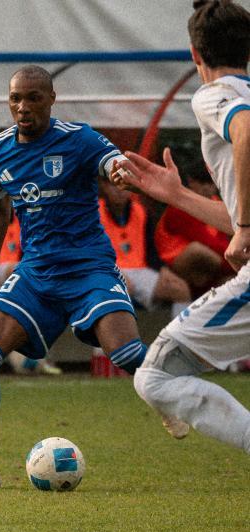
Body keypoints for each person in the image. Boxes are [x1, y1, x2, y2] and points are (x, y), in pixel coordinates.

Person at [0, 65, 147, 491]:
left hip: (89, 266)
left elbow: (111, 160)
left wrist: (117, 170)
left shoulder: (77, 138)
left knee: (127, 353)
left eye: (33, 98)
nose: (23, 107)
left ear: (52, 98)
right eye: (15, 99)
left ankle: (173, 392)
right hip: (36, 271)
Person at [117, 0, 250, 452]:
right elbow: (234, 217)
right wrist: (175, 195)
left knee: (155, 376)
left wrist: (246, 228)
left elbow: (244, 130)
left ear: (195, 54)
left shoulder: (213, 95)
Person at [0, 200, 63, 376]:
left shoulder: (24, 210)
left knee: (44, 289)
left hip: (15, 275)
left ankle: (37, 356)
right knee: (5, 294)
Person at [98, 177, 191, 317]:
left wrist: (163, 269)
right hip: (107, 269)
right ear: (104, 186)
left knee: (180, 289)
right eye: (113, 185)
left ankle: (179, 337)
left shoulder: (142, 212)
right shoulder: (93, 212)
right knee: (122, 288)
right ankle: (120, 338)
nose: (119, 190)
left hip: (140, 269)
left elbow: (151, 250)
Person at [154, 160, 234, 293]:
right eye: (203, 182)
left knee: (232, 279)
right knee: (199, 251)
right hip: (173, 262)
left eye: (212, 182)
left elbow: (222, 240)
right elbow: (207, 242)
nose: (208, 188)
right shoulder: (179, 207)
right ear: (191, 182)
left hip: (209, 266)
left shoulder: (216, 203)